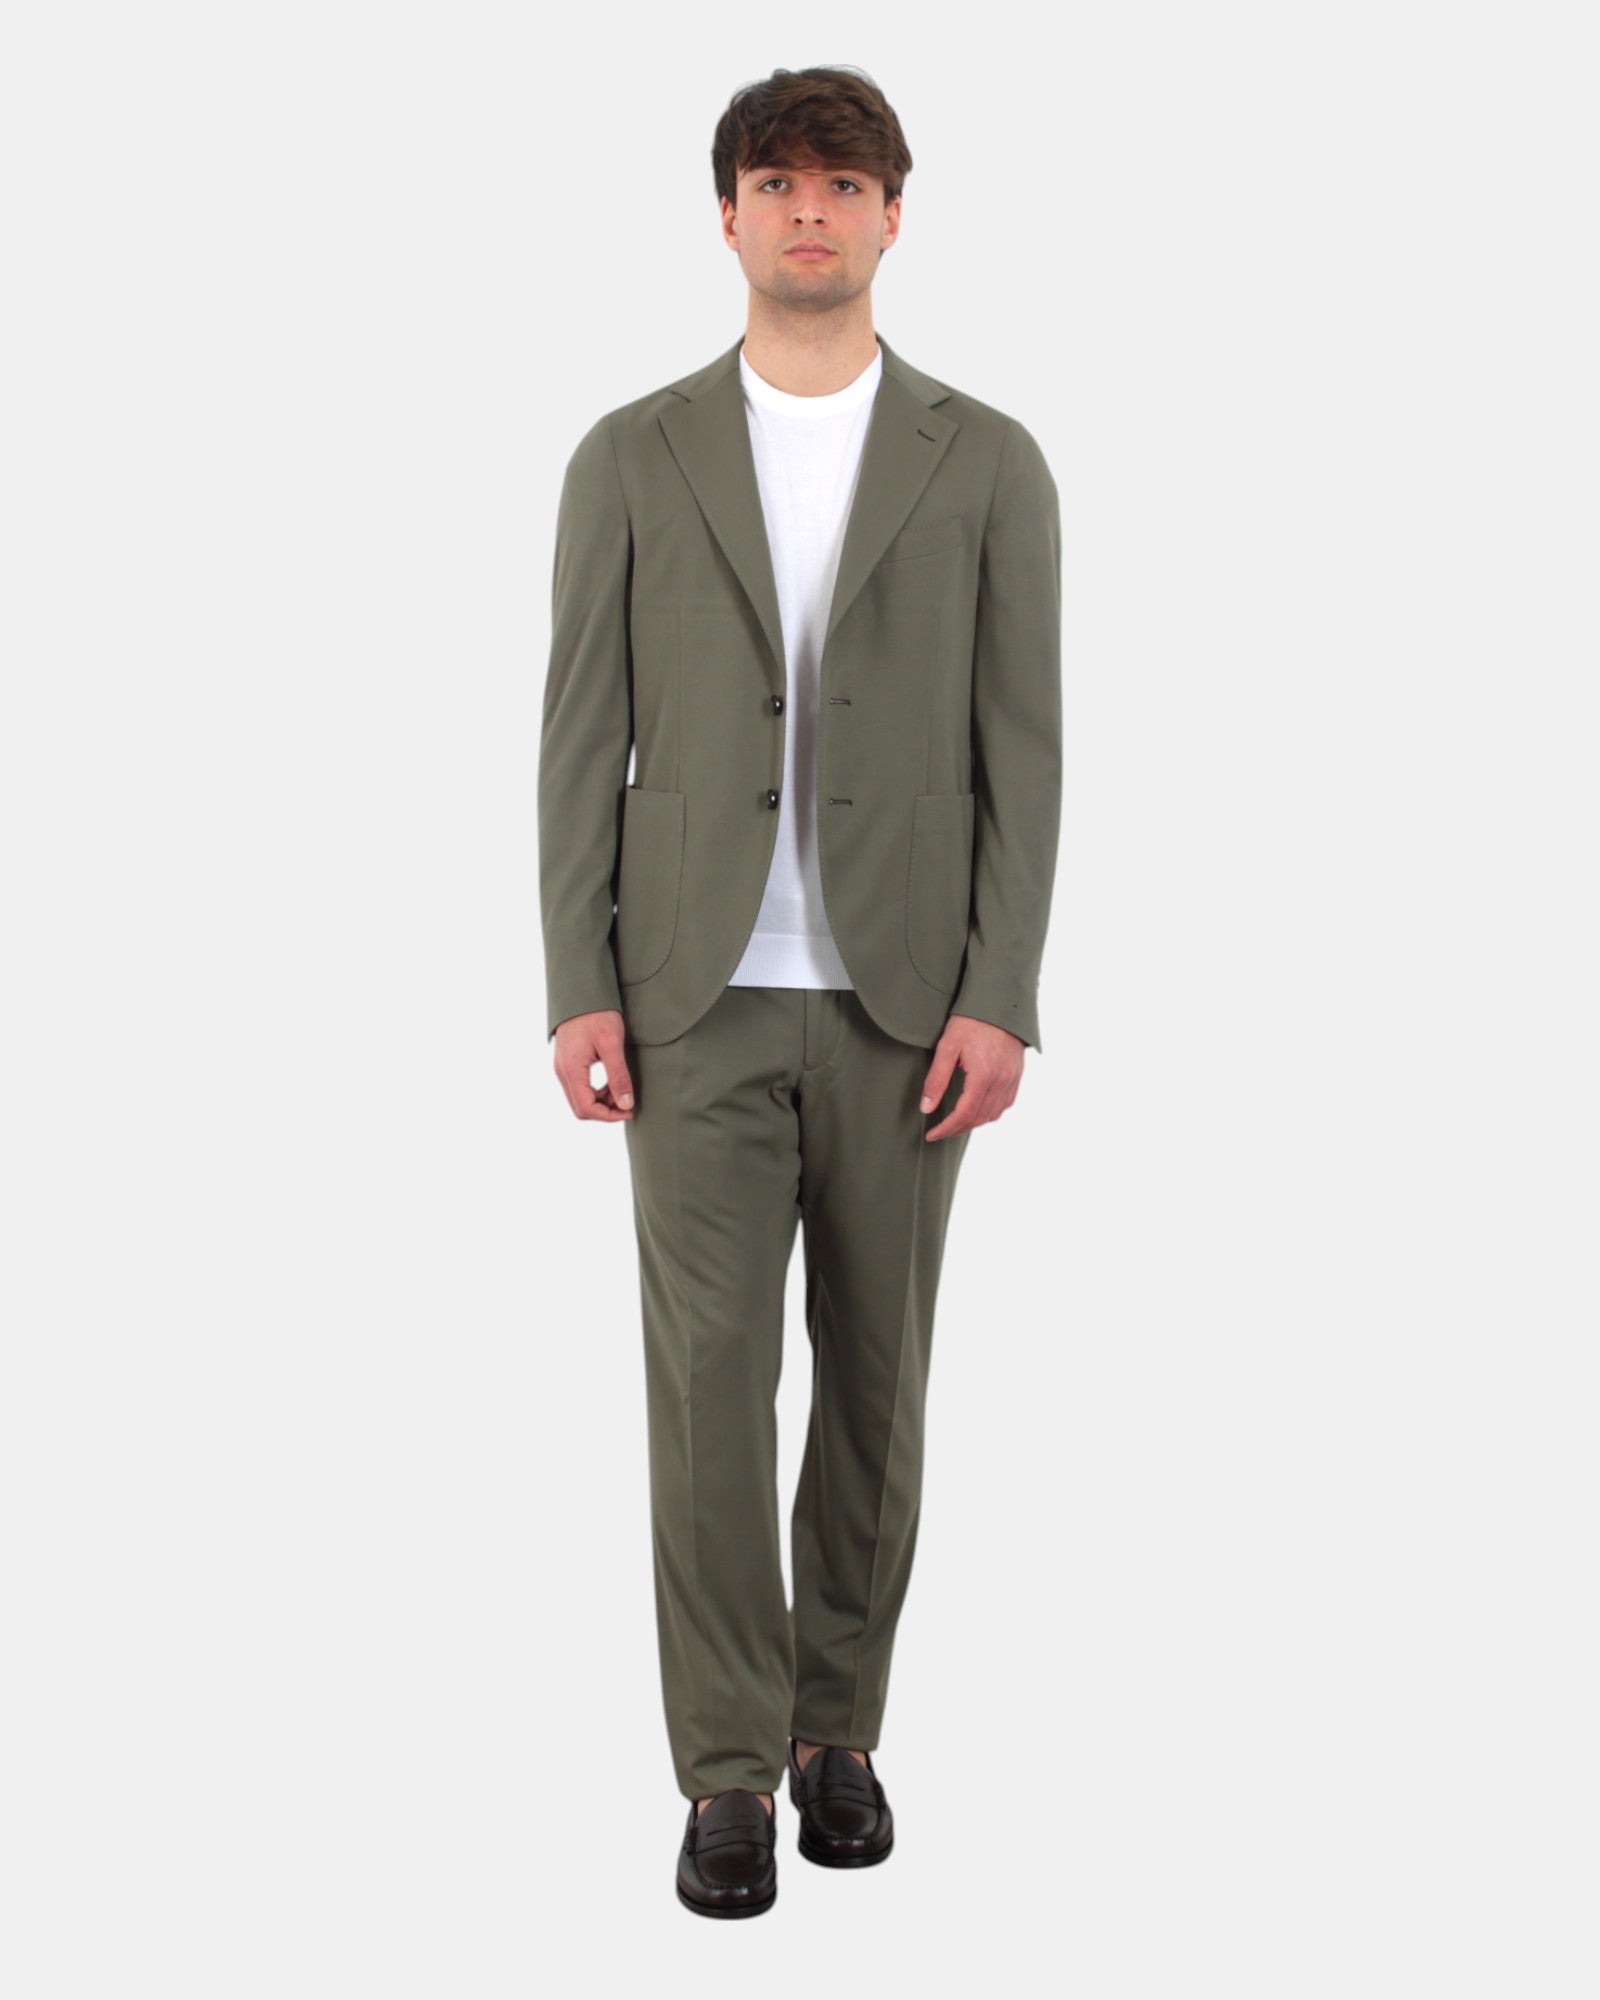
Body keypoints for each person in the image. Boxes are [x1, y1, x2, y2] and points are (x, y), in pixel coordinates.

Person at [538, 64, 1061, 1918]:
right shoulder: (633, 452)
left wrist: (1002, 989)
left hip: (911, 1003)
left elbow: (1024, 746)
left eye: (844, 183)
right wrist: (578, 980)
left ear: (895, 215)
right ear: (729, 216)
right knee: (707, 1392)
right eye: (777, 181)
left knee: (879, 1388)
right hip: (691, 997)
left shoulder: (987, 459)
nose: (811, 210)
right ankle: (727, 1771)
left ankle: (840, 1729)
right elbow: (579, 737)